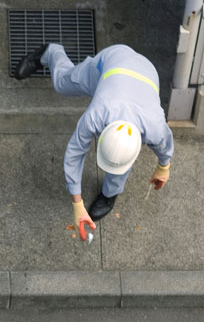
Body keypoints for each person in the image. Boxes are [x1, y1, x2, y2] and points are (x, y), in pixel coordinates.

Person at [14, 43, 174, 240]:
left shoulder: (154, 126)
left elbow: (164, 144)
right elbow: (75, 152)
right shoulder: (96, 115)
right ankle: (50, 52)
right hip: (112, 62)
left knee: (122, 165)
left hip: (147, 74)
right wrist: (77, 203)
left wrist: (163, 167)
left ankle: (109, 194)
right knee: (63, 83)